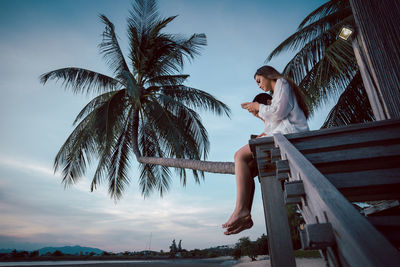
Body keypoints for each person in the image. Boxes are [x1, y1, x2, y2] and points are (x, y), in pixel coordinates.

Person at [222, 65, 309, 235]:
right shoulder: (278, 93)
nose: (259, 85)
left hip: (290, 136)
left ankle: (240, 209)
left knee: (239, 156)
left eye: (259, 81)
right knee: (249, 167)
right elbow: (275, 121)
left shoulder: (282, 83)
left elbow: (277, 113)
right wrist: (259, 113)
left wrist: (257, 107)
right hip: (285, 135)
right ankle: (246, 214)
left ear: (267, 75)